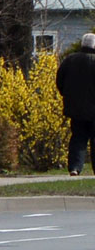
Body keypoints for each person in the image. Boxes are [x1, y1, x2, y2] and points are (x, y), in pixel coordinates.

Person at [55, 33, 95, 176]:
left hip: (75, 109)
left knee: (78, 138)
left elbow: (59, 81)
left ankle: (75, 167)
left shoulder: (70, 60)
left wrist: (67, 96)